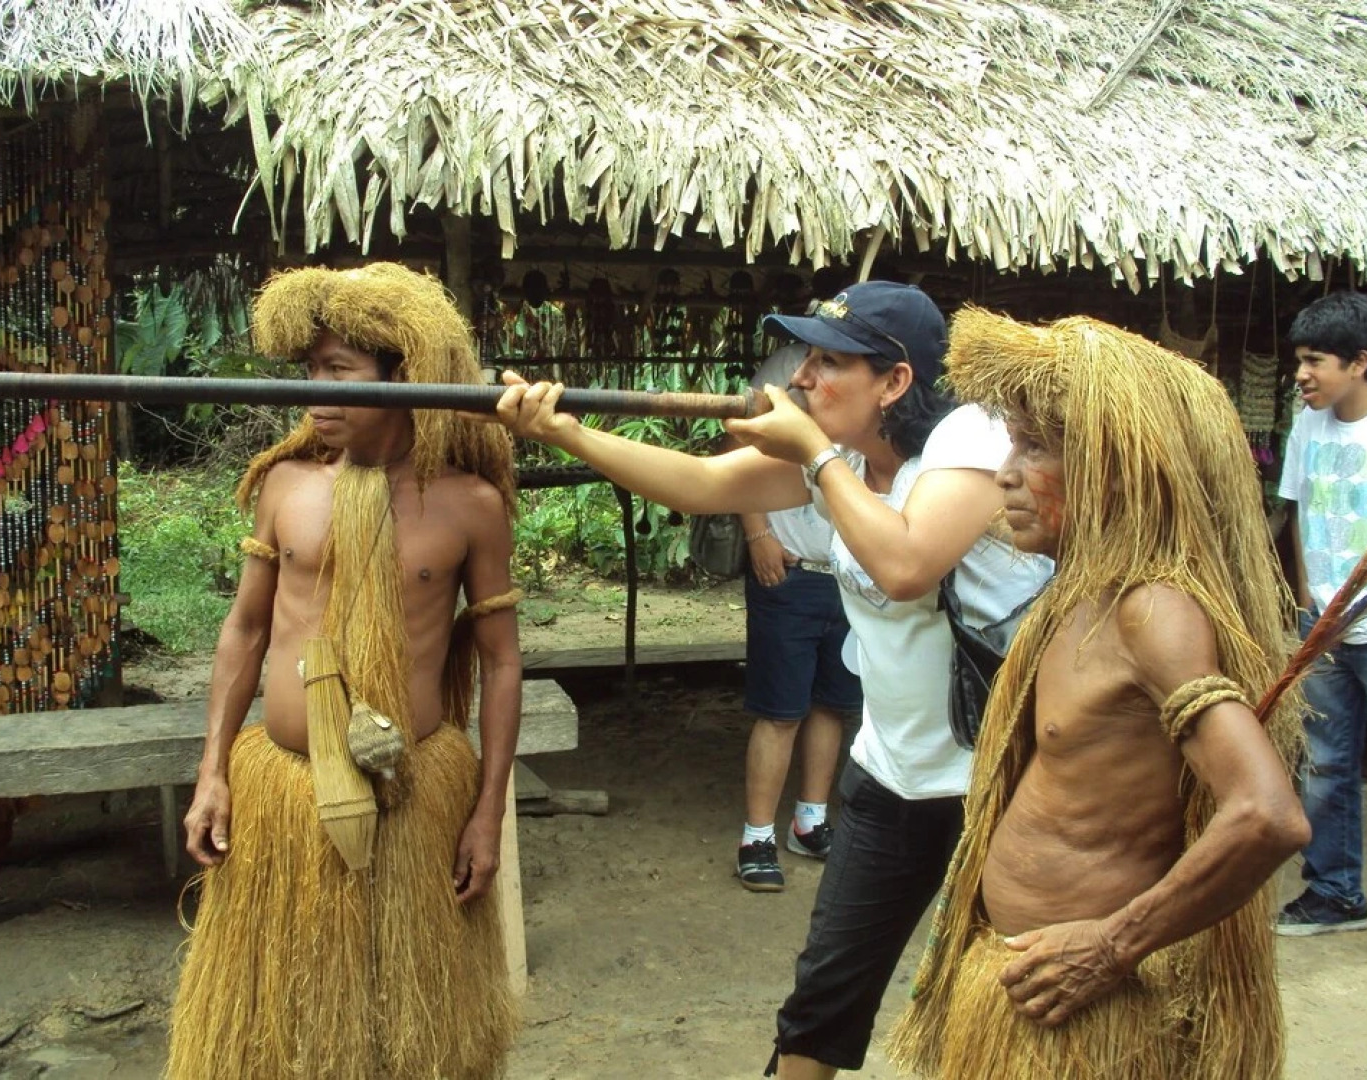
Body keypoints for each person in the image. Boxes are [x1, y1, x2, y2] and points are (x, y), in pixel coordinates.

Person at [483, 281, 1050, 1080]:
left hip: (1004, 780)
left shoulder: (970, 437)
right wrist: (565, 432)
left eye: (829, 363)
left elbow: (907, 564)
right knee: (822, 996)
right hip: (894, 774)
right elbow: (701, 484)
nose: (804, 379)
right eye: (807, 358)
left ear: (895, 383)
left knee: (1012, 991)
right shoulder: (846, 457)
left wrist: (813, 454)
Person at [889, 309, 1310, 1080]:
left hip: (1085, 1011)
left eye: (1036, 446)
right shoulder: (1075, 596)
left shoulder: (1151, 612)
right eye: (1010, 442)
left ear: (1117, 466)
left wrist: (1112, 946)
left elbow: (1268, 815)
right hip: (1025, 988)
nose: (1006, 474)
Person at [167, 263, 523, 1080]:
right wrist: (212, 771)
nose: (315, 394)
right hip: (285, 791)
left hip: (414, 797)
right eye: (309, 372)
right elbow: (246, 629)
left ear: (406, 380)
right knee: (281, 1027)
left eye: (340, 373)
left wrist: (486, 815)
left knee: (408, 1029)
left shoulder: (469, 504)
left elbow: (502, 666)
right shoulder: (286, 486)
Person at [734, 343, 863, 892]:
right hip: (788, 570)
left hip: (849, 573)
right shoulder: (787, 371)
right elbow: (737, 447)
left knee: (834, 704)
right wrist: (757, 533)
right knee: (781, 710)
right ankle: (756, 835)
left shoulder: (872, 382)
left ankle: (810, 821)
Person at [1276, 290, 1367, 935]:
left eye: (1316, 360)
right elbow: (1300, 518)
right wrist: (1311, 602)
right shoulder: (1308, 424)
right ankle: (1336, 893)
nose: (1301, 374)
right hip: (1326, 628)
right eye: (1299, 360)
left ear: (1360, 363)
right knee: (1325, 761)